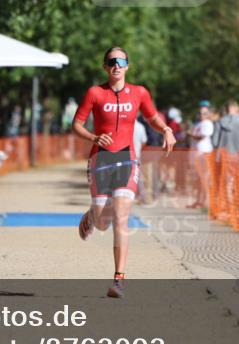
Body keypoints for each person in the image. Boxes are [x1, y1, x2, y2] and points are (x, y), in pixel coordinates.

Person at [72, 46, 175, 298]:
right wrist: (94, 136)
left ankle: (118, 279)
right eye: (111, 61)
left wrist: (166, 130)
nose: (116, 65)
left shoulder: (139, 93)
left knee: (120, 217)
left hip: (127, 159)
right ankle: (91, 215)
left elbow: (152, 117)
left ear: (128, 65)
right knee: (103, 223)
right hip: (100, 159)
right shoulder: (95, 93)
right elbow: (76, 124)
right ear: (105, 66)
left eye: (121, 61)